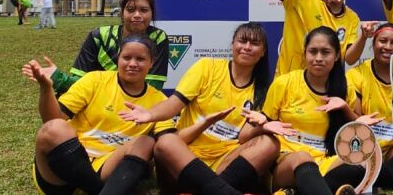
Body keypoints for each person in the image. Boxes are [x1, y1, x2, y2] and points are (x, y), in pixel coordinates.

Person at [119, 22, 279, 195]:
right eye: (243, 41)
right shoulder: (207, 67)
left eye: (255, 43)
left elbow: (243, 137)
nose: (247, 47)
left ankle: (213, 190)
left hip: (225, 163)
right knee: (166, 142)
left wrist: (262, 125)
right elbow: (173, 104)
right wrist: (150, 114)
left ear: (263, 52)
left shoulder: (264, 89)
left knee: (270, 143)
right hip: (186, 158)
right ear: (233, 44)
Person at [22, 36, 174, 195]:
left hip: (106, 168)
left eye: (141, 59)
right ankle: (100, 190)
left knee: (146, 142)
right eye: (126, 57)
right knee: (54, 128)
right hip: (61, 173)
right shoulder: (95, 80)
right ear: (118, 59)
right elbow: (51, 121)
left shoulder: (160, 101)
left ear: (152, 63)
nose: (132, 64)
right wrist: (46, 88)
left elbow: (168, 143)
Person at [264, 26, 375, 195]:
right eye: (313, 51)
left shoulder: (345, 88)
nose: (318, 58)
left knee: (362, 162)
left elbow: (353, 135)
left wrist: (346, 110)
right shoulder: (284, 83)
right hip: (285, 162)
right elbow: (263, 128)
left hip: (323, 162)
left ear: (337, 55)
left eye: (325, 52)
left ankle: (293, 193)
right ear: (305, 53)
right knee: (303, 158)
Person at [38, 0, 169, 94]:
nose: (137, 15)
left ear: (152, 14)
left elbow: (153, 89)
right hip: (95, 104)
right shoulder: (99, 36)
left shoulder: (157, 38)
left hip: (138, 110)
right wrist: (58, 79)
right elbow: (78, 85)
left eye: (144, 10)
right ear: (122, 13)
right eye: (130, 9)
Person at [268, 0, 363, 75]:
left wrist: (363, 37)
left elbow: (349, 59)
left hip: (322, 87)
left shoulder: (352, 18)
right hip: (288, 82)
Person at [346, 22, 393, 188]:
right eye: (382, 41)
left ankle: (380, 173)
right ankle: (382, 173)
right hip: (366, 147)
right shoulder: (355, 75)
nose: (388, 47)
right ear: (373, 44)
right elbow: (357, 121)